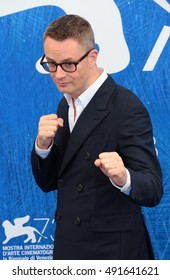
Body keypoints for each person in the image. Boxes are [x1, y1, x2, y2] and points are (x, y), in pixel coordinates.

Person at [31, 14, 163, 260]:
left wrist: (124, 177)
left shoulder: (126, 107)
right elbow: (48, 183)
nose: (58, 74)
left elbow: (153, 189)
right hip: (69, 249)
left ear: (92, 57)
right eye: (51, 63)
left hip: (111, 255)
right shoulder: (65, 104)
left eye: (68, 64)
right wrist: (42, 147)